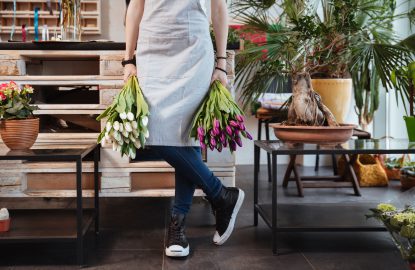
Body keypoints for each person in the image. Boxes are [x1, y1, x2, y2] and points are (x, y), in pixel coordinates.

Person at [123, 0, 245, 258]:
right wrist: (127, 59)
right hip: (152, 50)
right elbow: (135, 6)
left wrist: (221, 63)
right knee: (153, 131)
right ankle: (220, 195)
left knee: (185, 137)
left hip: (193, 50)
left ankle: (178, 225)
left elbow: (219, 6)